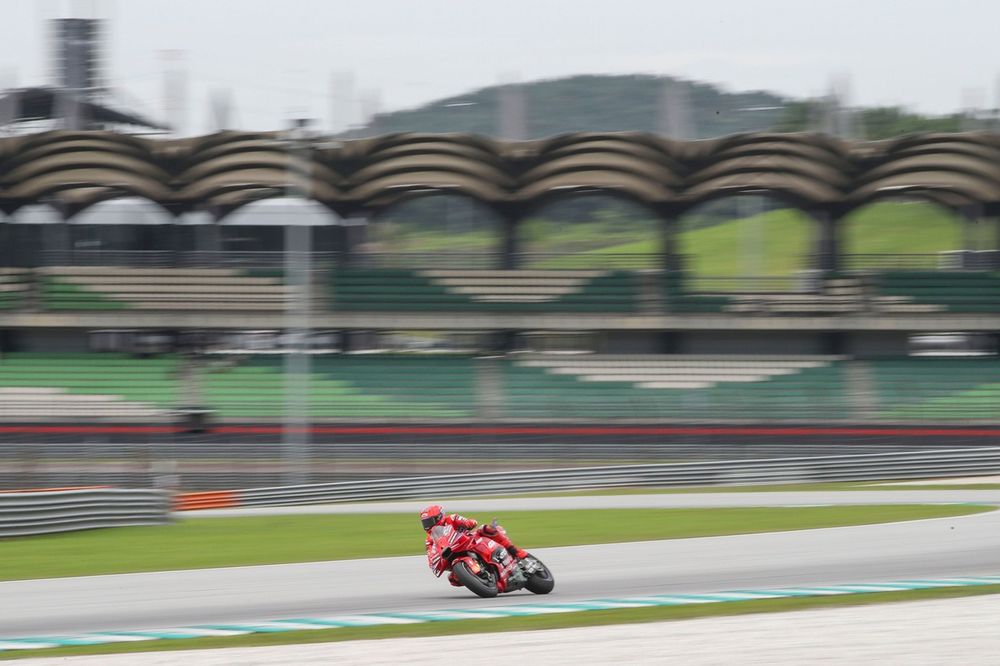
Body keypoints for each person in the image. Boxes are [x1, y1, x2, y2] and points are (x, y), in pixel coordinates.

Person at [420, 504, 528, 586]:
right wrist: (436, 561)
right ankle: (484, 578)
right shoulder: (429, 540)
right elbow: (431, 557)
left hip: (469, 541)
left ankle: (516, 551)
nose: (428, 525)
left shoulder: (452, 518)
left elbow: (471, 522)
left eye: (430, 521)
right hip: (453, 554)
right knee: (453, 579)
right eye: (425, 523)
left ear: (440, 517)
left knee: (486, 529)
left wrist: (468, 524)